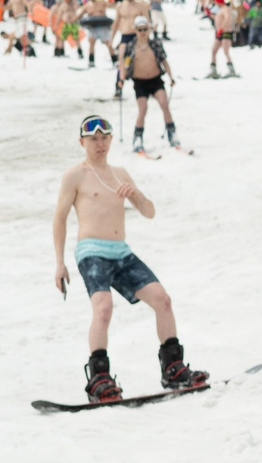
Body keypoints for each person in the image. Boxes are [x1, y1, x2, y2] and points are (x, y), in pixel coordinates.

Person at [50, 114, 208, 404]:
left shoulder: (120, 173)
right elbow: (59, 219)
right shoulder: (74, 175)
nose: (99, 144)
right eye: (92, 139)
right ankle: (99, 379)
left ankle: (173, 369)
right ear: (82, 142)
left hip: (120, 251)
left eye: (104, 138)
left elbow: (149, 212)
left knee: (163, 300)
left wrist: (135, 194)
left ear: (110, 139)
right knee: (103, 308)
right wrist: (59, 263)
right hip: (91, 250)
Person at [122, 26, 181, 156]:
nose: (143, 32)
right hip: (140, 82)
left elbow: (164, 61)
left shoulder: (155, 44)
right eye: (139, 29)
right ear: (135, 30)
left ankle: (172, 134)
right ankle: (137, 137)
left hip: (155, 80)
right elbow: (124, 64)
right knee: (142, 109)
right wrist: (121, 79)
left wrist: (171, 77)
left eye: (145, 29)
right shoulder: (131, 46)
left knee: (164, 105)